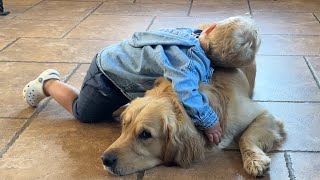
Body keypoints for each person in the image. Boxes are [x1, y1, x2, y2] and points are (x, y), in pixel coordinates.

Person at [23, 16, 259, 145]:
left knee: (118, 110)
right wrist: (210, 122)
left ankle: (114, 103)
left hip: (126, 70)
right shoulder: (186, 65)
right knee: (84, 113)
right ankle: (49, 82)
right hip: (108, 75)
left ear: (212, 28)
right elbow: (188, 94)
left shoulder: (192, 35)